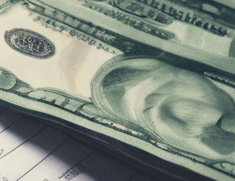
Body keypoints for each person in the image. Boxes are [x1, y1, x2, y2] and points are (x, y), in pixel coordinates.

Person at [91, 55, 235, 159]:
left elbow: (163, 113)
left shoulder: (199, 123)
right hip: (149, 85)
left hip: (148, 88)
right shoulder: (211, 112)